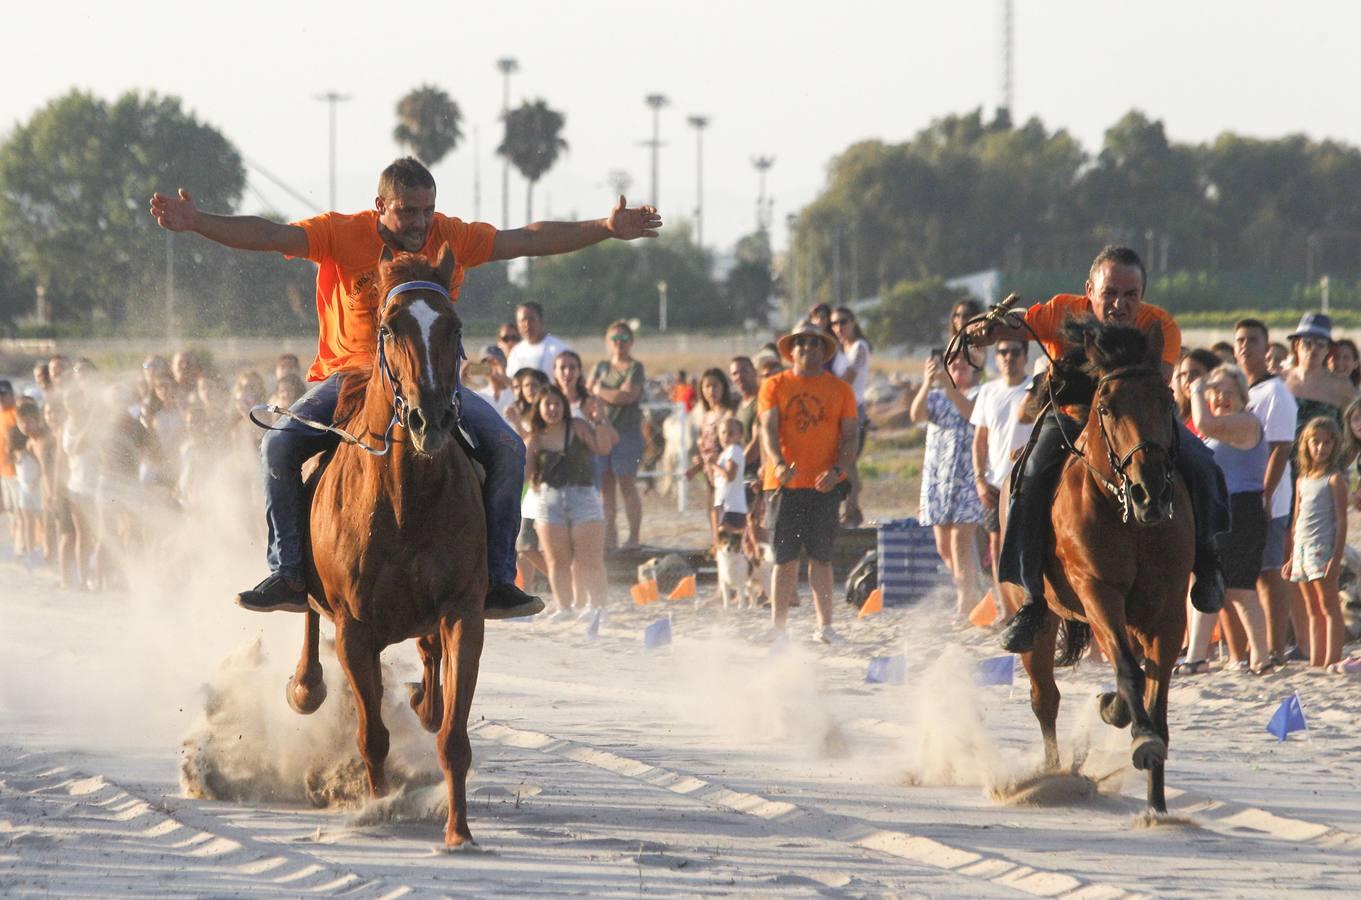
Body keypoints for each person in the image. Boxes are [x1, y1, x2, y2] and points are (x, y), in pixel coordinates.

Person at [149, 156, 661, 616]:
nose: (421, 223)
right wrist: (199, 224)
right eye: (408, 211)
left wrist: (604, 227)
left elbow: (525, 238)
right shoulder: (339, 233)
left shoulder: (451, 236)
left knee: (507, 448)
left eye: (427, 210)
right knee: (277, 444)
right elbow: (269, 235)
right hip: (350, 378)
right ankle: (288, 572)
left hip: (432, 385)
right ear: (380, 206)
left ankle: (498, 580)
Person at [968, 245, 1230, 653]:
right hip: (1071, 416)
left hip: (1135, 422)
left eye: (1131, 294)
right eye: (1110, 293)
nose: (1120, 304)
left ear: (1142, 293)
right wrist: (984, 330)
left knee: (1203, 464)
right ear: (1089, 289)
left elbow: (1153, 385)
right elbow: (1014, 328)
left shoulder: (1160, 325)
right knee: (1028, 478)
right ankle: (1032, 599)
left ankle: (1209, 562)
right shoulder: (1060, 312)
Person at [758, 321, 858, 642]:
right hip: (784, 483)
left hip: (823, 483)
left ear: (822, 349)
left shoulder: (840, 389)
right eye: (800, 343)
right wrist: (777, 462)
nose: (807, 348)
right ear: (791, 350)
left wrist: (838, 471)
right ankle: (778, 628)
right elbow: (768, 429)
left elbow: (851, 436)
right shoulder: (774, 384)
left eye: (814, 343)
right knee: (784, 557)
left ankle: (825, 627)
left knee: (822, 556)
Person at [1182, 365, 1273, 675]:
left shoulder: (1246, 422)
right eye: (1215, 391)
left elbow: (1203, 424)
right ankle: (1198, 657)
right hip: (1217, 508)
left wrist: (1195, 388)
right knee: (1209, 582)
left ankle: (1260, 657)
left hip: (1241, 510)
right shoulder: (1222, 425)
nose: (1221, 397)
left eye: (1228, 392)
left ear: (1242, 396)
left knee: (1239, 589)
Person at [1234, 318, 1305, 662]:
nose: (1245, 346)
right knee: (1251, 574)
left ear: (1267, 347)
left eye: (1252, 340)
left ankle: (1276, 646)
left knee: (1269, 572)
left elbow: (1280, 447)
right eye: (1240, 340)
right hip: (1242, 495)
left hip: (1267, 499)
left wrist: (1264, 494)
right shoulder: (1243, 391)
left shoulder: (1276, 392)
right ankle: (1257, 645)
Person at [524, 387, 618, 622]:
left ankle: (598, 607)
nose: (553, 409)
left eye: (557, 403)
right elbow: (524, 475)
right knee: (556, 561)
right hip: (549, 501)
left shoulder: (577, 427)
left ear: (564, 406)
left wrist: (600, 419)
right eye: (548, 404)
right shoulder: (535, 439)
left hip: (583, 497)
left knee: (590, 560)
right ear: (539, 408)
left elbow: (603, 447)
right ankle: (565, 607)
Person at [911, 347, 985, 621]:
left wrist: (949, 387)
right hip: (937, 478)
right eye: (952, 364)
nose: (957, 368)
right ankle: (970, 590)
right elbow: (916, 415)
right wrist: (928, 383)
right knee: (943, 546)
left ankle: (966, 602)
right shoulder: (937, 395)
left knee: (960, 542)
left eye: (964, 364)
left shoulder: (980, 394)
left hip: (967, 478)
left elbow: (970, 414)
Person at [970, 340, 1033, 623]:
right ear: (996, 358)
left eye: (1015, 352)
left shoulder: (1035, 388)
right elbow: (979, 441)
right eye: (1003, 352)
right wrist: (980, 479)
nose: (1009, 357)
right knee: (996, 546)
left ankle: (1031, 606)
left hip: (1029, 478)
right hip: (995, 482)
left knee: (1030, 545)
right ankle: (1007, 609)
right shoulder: (988, 391)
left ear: (1024, 355)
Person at [1282, 416, 1349, 669]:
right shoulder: (1302, 479)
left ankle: (1333, 658)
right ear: (1306, 445)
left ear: (1334, 445)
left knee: (1328, 604)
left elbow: (1342, 521)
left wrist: (1336, 556)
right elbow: (1297, 517)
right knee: (1311, 607)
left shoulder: (1334, 479)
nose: (1321, 448)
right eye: (1315, 442)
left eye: (1326, 443)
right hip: (1302, 549)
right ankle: (1316, 659)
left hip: (1323, 548)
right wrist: (1291, 556)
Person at [588, 320, 646, 549]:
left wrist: (600, 391)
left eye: (623, 339)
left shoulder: (635, 368)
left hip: (627, 432)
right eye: (614, 339)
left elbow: (627, 397)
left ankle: (633, 537)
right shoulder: (601, 366)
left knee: (627, 484)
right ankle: (610, 537)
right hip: (602, 429)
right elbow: (589, 393)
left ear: (631, 342)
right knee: (605, 487)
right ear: (607, 342)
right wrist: (608, 393)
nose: (619, 344)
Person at [830, 306, 872, 526]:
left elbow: (848, 378)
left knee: (849, 461)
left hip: (854, 410)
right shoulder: (839, 351)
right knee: (845, 462)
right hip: (839, 413)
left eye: (843, 322)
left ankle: (852, 511)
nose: (839, 327)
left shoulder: (859, 348)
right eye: (834, 323)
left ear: (853, 321)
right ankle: (850, 511)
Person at [1284, 313, 1353, 440]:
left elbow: (1354, 432)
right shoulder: (1279, 380)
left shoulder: (1341, 386)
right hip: (1282, 458)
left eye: (1320, 343)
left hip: (1327, 458)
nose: (1313, 348)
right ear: (1296, 345)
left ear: (1328, 349)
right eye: (1307, 342)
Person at [689, 368, 735, 543]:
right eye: (707, 386)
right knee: (712, 508)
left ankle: (725, 542)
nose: (711, 391)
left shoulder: (728, 413)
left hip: (723, 468)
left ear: (723, 387)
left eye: (715, 386)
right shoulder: (706, 416)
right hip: (709, 470)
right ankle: (716, 542)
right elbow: (703, 445)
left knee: (725, 509)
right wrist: (697, 463)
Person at [505, 301, 570, 377]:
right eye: (523, 320)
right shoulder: (516, 352)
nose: (527, 324)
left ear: (541, 320)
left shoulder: (559, 349)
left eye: (531, 319)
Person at [708, 416, 748, 536]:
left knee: (727, 545)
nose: (726, 436)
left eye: (731, 433)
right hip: (725, 506)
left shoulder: (734, 450)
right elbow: (717, 483)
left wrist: (714, 465)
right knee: (723, 545)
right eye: (723, 432)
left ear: (739, 435)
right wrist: (709, 465)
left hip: (732, 507)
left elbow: (730, 476)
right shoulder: (724, 454)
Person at [1173, 349, 1222, 427]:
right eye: (1183, 374)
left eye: (1195, 373)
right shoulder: (1177, 415)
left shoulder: (1220, 412)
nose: (1187, 379)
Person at [553, 349, 590, 415]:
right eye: (562, 368)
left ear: (579, 371)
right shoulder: (549, 403)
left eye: (572, 367)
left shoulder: (590, 402)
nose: (567, 372)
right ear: (555, 372)